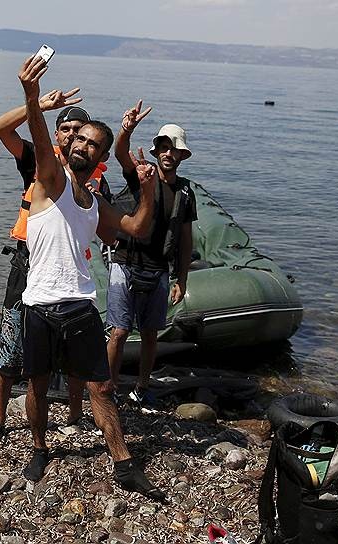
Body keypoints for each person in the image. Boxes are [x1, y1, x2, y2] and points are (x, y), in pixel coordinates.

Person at [17, 54, 165, 501]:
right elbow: (39, 137)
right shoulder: (51, 179)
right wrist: (31, 95)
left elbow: (136, 228)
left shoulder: (93, 201)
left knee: (101, 386)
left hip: (80, 303)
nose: (81, 145)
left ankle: (123, 463)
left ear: (100, 156)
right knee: (38, 386)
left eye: (92, 144)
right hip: (40, 304)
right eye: (78, 138)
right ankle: (40, 448)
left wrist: (148, 190)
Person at [0, 93, 112, 446]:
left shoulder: (93, 178)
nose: (72, 136)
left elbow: (108, 225)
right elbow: (1, 128)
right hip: (27, 265)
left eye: (79, 131)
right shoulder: (37, 159)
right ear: (56, 133)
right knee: (11, 341)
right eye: (65, 129)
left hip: (68, 273)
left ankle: (75, 415)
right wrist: (38, 106)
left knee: (75, 351)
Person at [107, 100, 197, 405]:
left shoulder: (185, 192)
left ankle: (142, 388)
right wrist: (126, 129)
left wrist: (181, 279)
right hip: (126, 263)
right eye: (164, 148)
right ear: (156, 151)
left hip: (158, 269)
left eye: (175, 149)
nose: (168, 154)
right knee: (119, 332)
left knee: (149, 334)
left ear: (182, 155)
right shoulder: (142, 174)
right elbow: (121, 154)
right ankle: (109, 388)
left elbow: (185, 239)